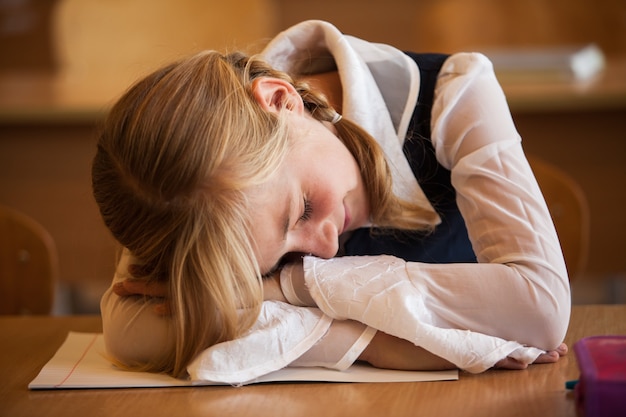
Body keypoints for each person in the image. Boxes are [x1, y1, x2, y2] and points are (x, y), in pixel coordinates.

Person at [93, 20, 571, 384]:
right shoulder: (176, 188)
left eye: (301, 209)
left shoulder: (457, 93)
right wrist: (369, 343)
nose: (321, 251)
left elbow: (541, 310)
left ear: (281, 100)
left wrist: (279, 289)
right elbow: (125, 327)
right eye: (281, 260)